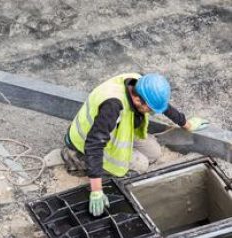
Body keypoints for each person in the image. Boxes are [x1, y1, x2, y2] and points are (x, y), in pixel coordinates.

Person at [61, 73, 209, 217]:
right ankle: (75, 160)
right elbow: (94, 145)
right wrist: (96, 190)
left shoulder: (140, 83)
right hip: (84, 144)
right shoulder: (112, 105)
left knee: (154, 152)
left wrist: (186, 123)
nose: (151, 113)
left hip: (115, 131)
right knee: (141, 165)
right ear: (138, 100)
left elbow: (160, 105)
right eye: (150, 110)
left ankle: (119, 158)